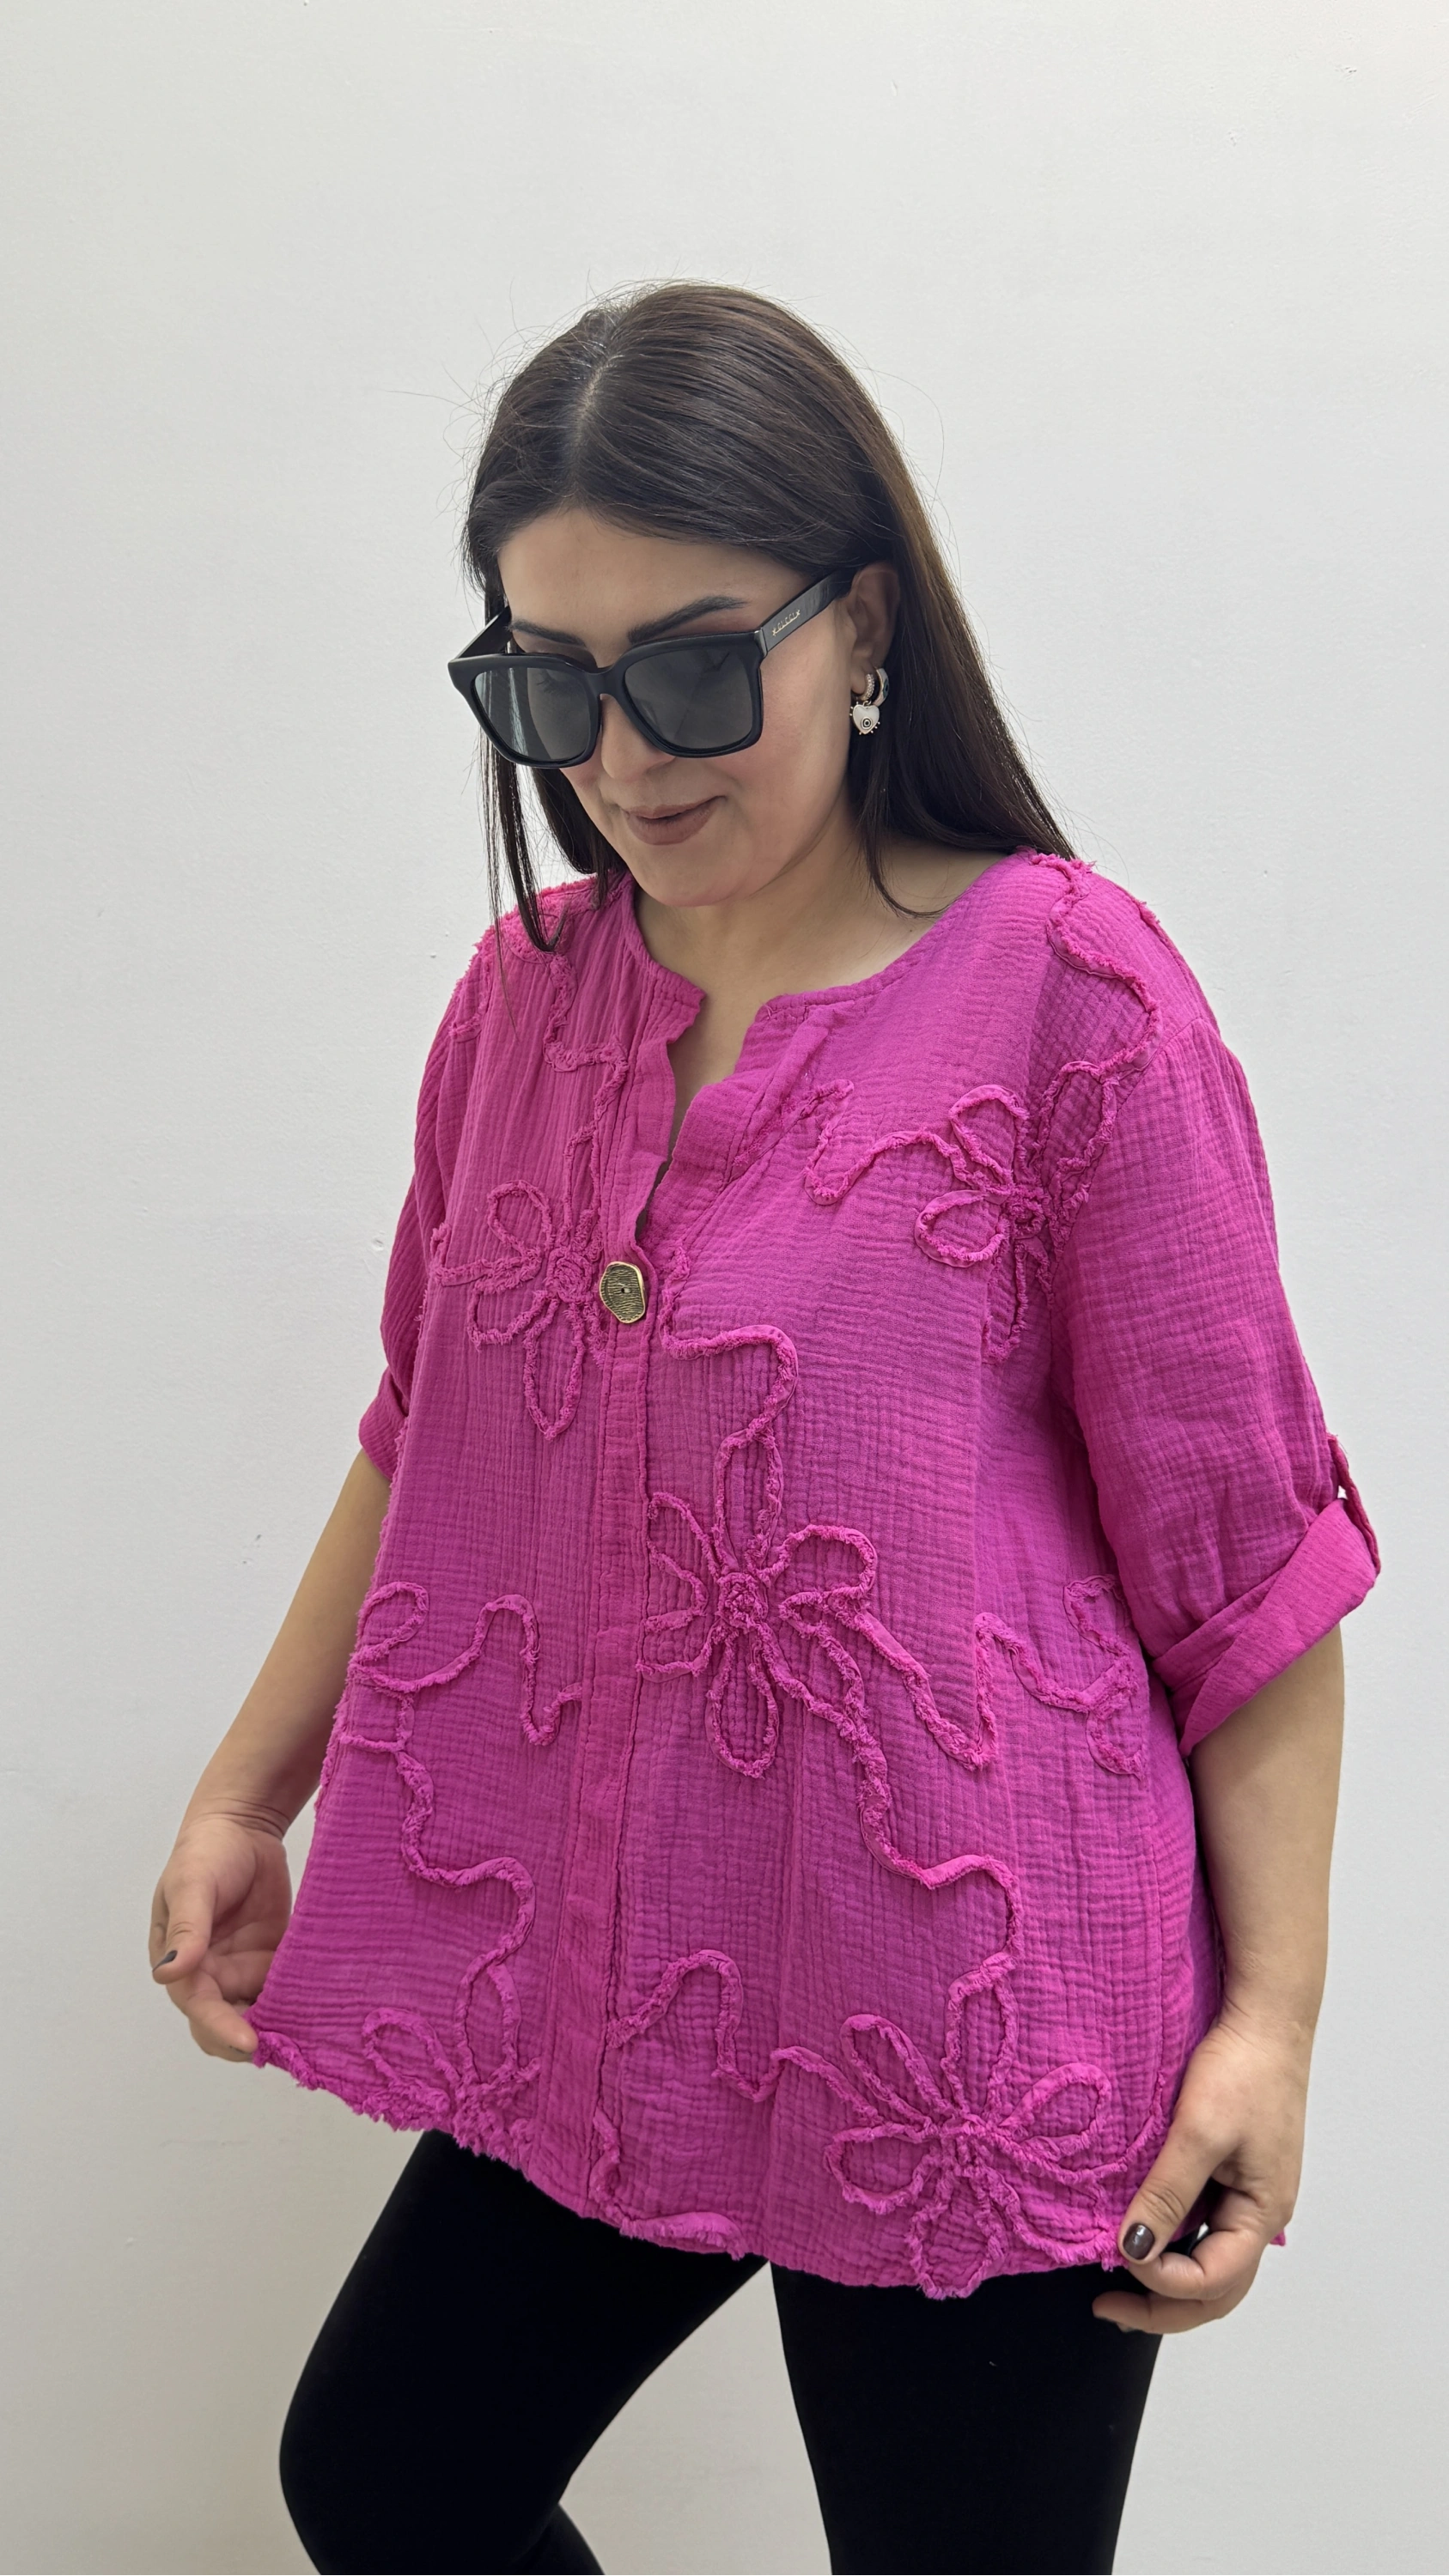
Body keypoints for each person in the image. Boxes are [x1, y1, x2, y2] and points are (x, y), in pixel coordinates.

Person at [149, 283, 1380, 2576]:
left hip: (977, 2017)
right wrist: (249, 1790)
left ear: (864, 627)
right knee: (392, 2475)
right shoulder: (522, 1008)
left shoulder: (1071, 997)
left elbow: (1246, 1570)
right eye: (547, 683)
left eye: (696, 667)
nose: (621, 756)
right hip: (607, 1974)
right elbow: (427, 1427)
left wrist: (1273, 2027)